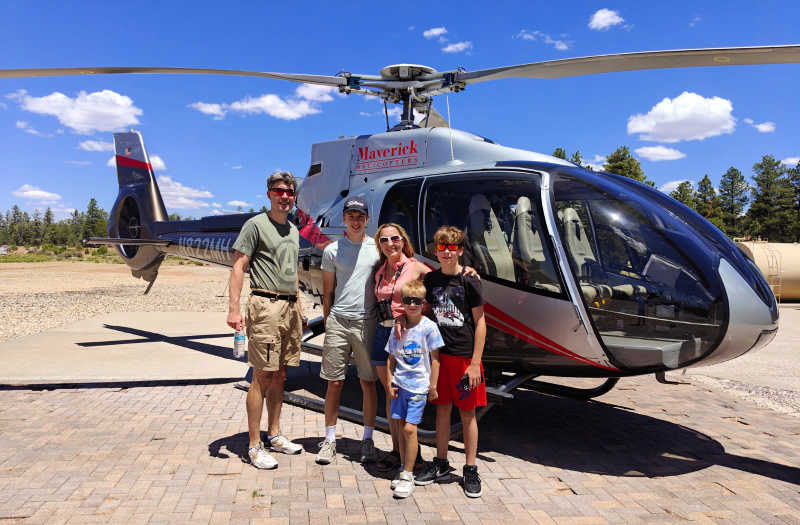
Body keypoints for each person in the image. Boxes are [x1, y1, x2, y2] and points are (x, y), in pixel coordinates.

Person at [226, 170, 304, 470]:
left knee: (281, 374)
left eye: (289, 192)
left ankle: (274, 434)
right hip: (265, 305)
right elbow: (238, 266)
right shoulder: (255, 225)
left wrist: (298, 303)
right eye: (279, 191)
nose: (284, 196)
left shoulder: (293, 230)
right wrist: (234, 309)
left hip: (288, 308)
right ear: (269, 193)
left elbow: (291, 270)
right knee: (261, 376)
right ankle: (254, 444)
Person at [417, 225, 487, 498]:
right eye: (442, 248)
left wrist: (475, 363)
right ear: (436, 250)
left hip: (464, 358)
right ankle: (442, 462)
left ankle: (470, 468)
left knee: (468, 414)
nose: (447, 253)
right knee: (442, 409)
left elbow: (480, 323)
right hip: (439, 357)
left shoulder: (470, 280)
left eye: (452, 248)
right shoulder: (431, 280)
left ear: (460, 250)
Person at [315, 197, 380, 465]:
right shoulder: (332, 251)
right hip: (339, 321)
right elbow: (327, 292)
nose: (355, 220)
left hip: (367, 322)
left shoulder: (377, 248)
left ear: (367, 219)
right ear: (344, 218)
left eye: (360, 216)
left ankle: (367, 439)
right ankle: (330, 439)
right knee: (335, 382)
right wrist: (328, 320)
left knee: (368, 383)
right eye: (351, 215)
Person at [371, 223, 431, 471]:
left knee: (406, 394)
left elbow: (437, 287)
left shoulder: (416, 266)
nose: (390, 244)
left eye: (394, 238)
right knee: (390, 394)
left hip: (404, 334)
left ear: (403, 240)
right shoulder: (380, 269)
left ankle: (412, 455)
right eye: (384, 240)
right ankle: (396, 451)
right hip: (382, 333)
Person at [385, 279, 442, 498]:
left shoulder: (429, 328)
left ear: (423, 303)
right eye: (408, 301)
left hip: (419, 387)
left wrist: (433, 386)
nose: (412, 305)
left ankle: (408, 474)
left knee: (410, 429)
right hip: (400, 385)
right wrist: (390, 382)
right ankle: (403, 467)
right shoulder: (398, 328)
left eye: (416, 301)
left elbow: (435, 360)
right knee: (400, 428)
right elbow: (391, 359)